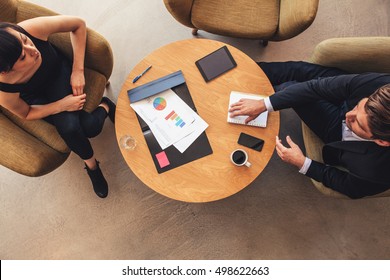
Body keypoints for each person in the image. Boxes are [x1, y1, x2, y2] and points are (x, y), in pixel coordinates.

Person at [229, 61, 390, 199]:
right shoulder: (382, 87)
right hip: (348, 93)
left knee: (289, 87)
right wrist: (264, 104)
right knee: (298, 70)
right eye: (358, 107)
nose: (349, 115)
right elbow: (316, 87)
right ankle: (241, 72)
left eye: (358, 123)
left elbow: (348, 187)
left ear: (382, 141)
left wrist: (302, 163)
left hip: (338, 135)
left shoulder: (379, 171)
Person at [0, 16, 116, 199]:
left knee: (84, 128)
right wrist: (61, 106)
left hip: (57, 74)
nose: (33, 50)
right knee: (87, 127)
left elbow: (78, 24)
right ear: (5, 71)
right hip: (37, 98)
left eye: (25, 41)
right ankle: (92, 166)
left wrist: (77, 71)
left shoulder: (30, 29)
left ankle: (105, 106)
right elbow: (27, 113)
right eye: (23, 57)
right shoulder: (4, 91)